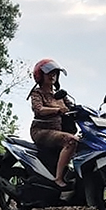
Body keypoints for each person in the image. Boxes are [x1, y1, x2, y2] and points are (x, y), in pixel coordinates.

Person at [28, 58, 79, 189]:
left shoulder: (59, 94)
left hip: (58, 130)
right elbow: (38, 109)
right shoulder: (37, 93)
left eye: (55, 73)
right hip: (41, 131)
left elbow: (72, 107)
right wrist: (57, 110)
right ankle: (58, 178)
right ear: (40, 75)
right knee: (71, 141)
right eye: (49, 73)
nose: (53, 75)